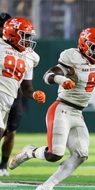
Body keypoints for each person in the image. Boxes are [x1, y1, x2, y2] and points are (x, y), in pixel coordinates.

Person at [9, 27, 95, 190]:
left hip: (78, 113)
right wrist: (63, 79)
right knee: (54, 155)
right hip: (62, 109)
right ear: (84, 45)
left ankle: (46, 187)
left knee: (81, 154)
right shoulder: (73, 58)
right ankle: (29, 152)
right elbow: (49, 75)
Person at [0, 16, 46, 175]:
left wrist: (34, 94)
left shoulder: (29, 56)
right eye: (25, 35)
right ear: (13, 34)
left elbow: (26, 88)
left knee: (4, 131)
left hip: (8, 100)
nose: (28, 40)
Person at [0, 13, 30, 176]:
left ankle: (3, 165)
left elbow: (27, 84)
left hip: (14, 91)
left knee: (10, 130)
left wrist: (32, 93)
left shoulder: (26, 52)